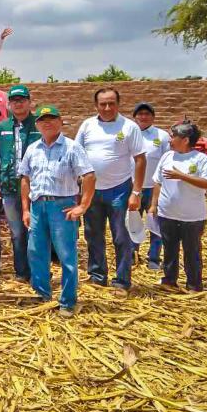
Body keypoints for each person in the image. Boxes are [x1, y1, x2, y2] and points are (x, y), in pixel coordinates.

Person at [19, 105, 96, 317]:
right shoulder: (33, 149)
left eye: (52, 119)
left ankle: (67, 301)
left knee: (66, 254)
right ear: (37, 125)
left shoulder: (72, 147)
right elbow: (25, 178)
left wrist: (82, 206)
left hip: (62, 206)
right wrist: (25, 209)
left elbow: (89, 176)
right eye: (43, 120)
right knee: (36, 251)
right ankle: (41, 294)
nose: (47, 123)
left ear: (61, 122)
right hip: (37, 205)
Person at [75, 88, 146, 297]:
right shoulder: (87, 125)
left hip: (120, 190)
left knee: (121, 237)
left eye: (111, 103)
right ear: (96, 105)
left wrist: (136, 192)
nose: (107, 108)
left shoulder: (129, 127)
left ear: (118, 104)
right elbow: (76, 153)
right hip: (92, 191)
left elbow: (140, 159)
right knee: (93, 235)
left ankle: (122, 281)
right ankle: (98, 276)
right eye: (103, 104)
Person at [149, 122, 207, 292]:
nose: (170, 140)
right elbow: (157, 182)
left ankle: (194, 285)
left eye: (174, 137)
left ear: (185, 140)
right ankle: (169, 281)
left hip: (192, 217)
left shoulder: (200, 159)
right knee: (169, 250)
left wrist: (182, 176)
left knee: (192, 251)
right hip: (167, 214)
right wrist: (153, 205)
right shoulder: (167, 156)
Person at [0, 84, 40, 283]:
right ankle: (21, 272)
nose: (18, 104)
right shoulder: (1, 127)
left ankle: (38, 271)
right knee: (17, 232)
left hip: (36, 187)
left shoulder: (39, 124)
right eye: (14, 100)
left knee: (36, 231)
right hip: (9, 187)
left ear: (29, 102)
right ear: (9, 104)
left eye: (21, 100)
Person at [132, 102, 170, 270]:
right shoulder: (129, 134)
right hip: (133, 188)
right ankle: (132, 254)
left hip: (155, 187)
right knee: (133, 223)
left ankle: (154, 258)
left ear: (153, 117)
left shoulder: (162, 136)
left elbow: (168, 160)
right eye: (140, 114)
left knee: (155, 223)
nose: (143, 117)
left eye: (147, 114)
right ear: (135, 117)